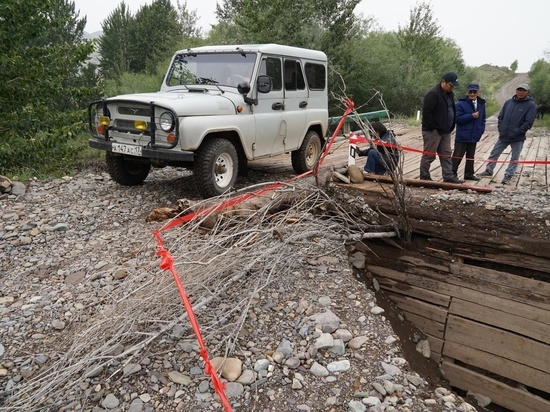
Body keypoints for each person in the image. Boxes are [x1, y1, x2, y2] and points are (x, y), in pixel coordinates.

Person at [478, 83, 537, 184]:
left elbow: (529, 122)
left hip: (517, 137)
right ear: (516, 91)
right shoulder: (508, 102)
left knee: (514, 158)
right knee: (494, 153)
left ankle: (508, 175)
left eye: (523, 90)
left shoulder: (531, 105)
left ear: (527, 92)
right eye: (519, 90)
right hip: (504, 135)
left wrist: (518, 131)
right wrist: (501, 128)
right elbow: (500, 117)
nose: (521, 92)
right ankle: (489, 170)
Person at [419, 72, 464, 184]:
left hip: (446, 130)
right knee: (429, 155)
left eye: (453, 86)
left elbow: (451, 109)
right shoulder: (433, 94)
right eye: (450, 85)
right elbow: (427, 113)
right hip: (432, 131)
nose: (452, 88)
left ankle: (448, 176)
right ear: (443, 82)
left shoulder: (450, 94)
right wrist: (433, 127)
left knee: (446, 154)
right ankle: (424, 176)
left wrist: (451, 124)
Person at [452, 83, 486, 181]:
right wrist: (471, 116)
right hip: (462, 135)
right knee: (457, 156)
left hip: (474, 135)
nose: (472, 94)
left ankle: (469, 174)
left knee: (471, 156)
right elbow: (457, 119)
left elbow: (483, 119)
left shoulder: (481, 104)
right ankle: (452, 174)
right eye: (470, 92)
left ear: (478, 92)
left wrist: (481, 130)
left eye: (474, 92)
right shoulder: (460, 104)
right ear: (467, 92)